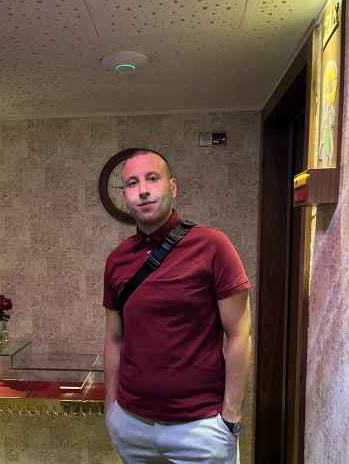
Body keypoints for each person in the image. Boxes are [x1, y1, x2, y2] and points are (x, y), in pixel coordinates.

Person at [103, 149, 252, 463]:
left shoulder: (212, 246)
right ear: (125, 196)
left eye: (152, 178)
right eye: (132, 183)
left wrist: (230, 418)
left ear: (172, 187)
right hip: (132, 424)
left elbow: (240, 334)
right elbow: (114, 338)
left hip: (200, 428)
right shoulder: (117, 259)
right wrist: (111, 410)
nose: (143, 190)